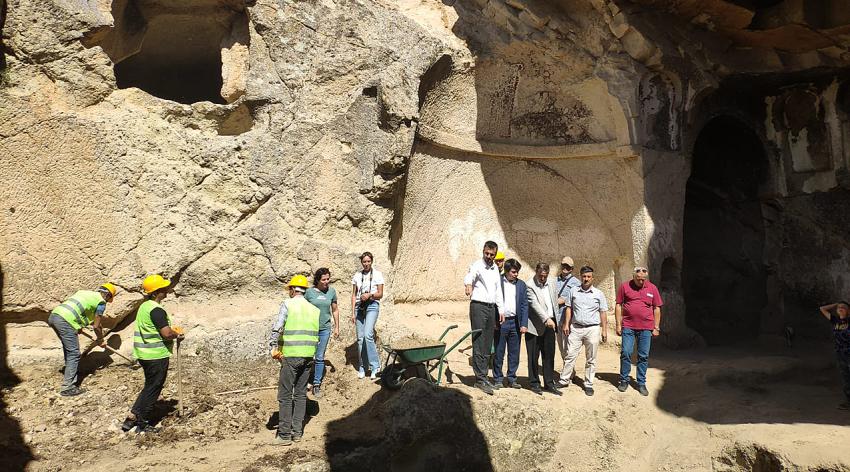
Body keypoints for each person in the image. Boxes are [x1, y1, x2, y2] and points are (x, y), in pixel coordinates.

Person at [122, 275, 183, 433]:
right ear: (157, 291)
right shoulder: (156, 310)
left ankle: (132, 418)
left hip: (144, 354)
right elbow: (166, 333)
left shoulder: (144, 306)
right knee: (154, 388)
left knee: (148, 386)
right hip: (156, 355)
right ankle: (143, 422)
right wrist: (177, 334)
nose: (167, 289)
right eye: (164, 288)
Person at [269, 275, 321, 445]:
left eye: (289, 289)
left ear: (293, 290)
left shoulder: (288, 304)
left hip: (291, 356)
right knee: (300, 395)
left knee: (284, 395)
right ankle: (296, 433)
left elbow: (278, 326)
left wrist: (273, 346)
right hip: (308, 357)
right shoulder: (314, 310)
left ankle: (284, 435)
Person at [47, 283, 117, 396]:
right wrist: (100, 339)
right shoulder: (101, 302)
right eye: (109, 299)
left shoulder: (84, 292)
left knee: (69, 350)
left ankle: (69, 374)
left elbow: (76, 310)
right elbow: (96, 326)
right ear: (108, 295)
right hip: (66, 321)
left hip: (54, 316)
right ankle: (67, 387)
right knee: (74, 353)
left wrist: (77, 326)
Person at [464, 241, 505, 395]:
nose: (489, 257)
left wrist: (501, 309)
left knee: (488, 343)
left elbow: (498, 290)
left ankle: (484, 377)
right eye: (487, 253)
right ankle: (479, 379)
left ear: (495, 255)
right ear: (483, 251)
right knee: (479, 341)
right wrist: (468, 285)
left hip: (491, 307)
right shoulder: (477, 265)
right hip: (478, 307)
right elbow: (470, 276)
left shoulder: (495, 269)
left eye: (492, 255)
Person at [615, 266, 663, 396]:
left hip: (646, 327)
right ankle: (624, 380)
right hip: (628, 326)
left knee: (643, 355)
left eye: (643, 280)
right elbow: (618, 305)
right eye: (638, 279)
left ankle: (641, 383)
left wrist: (656, 327)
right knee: (626, 352)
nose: (641, 282)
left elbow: (657, 308)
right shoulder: (625, 287)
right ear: (633, 277)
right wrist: (618, 325)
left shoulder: (652, 288)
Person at [561, 266, 608, 396]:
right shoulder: (574, 291)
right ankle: (564, 379)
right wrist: (566, 324)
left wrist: (604, 330)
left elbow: (603, 312)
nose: (586, 279)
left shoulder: (599, 294)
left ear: (592, 278)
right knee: (570, 354)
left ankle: (588, 384)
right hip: (575, 328)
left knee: (591, 358)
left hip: (592, 328)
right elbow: (568, 308)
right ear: (580, 277)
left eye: (588, 277)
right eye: (584, 276)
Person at [525, 263, 561, 396]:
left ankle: (549, 383)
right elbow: (535, 305)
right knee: (533, 356)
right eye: (540, 275)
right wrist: (546, 319)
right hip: (535, 326)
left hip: (551, 325)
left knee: (549, 355)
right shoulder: (529, 285)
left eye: (545, 276)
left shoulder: (552, 282)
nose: (542, 278)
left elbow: (554, 302)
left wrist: (556, 320)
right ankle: (534, 383)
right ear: (536, 272)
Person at [492, 259, 527, 389]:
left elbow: (524, 305)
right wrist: (494, 321)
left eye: (517, 272)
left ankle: (512, 378)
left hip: (516, 322)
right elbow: (493, 303)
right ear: (506, 271)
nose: (516, 274)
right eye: (513, 272)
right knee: (499, 352)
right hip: (501, 323)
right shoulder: (498, 282)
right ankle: (498, 379)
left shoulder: (521, 285)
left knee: (514, 352)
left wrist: (523, 324)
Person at [305, 268, 339, 398]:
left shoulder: (331, 292)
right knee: (308, 356)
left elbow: (335, 310)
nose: (326, 281)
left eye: (328, 279)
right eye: (323, 279)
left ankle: (316, 384)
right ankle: (304, 382)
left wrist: (336, 327)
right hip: (310, 329)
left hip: (325, 328)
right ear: (318, 280)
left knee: (319, 356)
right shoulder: (309, 293)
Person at [351, 252, 384, 379]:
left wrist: (370, 294)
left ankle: (375, 366)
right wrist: (352, 312)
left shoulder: (378, 274)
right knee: (360, 339)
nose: (366, 264)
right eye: (364, 262)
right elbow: (354, 295)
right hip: (359, 307)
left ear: (372, 261)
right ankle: (362, 367)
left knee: (368, 335)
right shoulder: (357, 275)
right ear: (361, 262)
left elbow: (380, 294)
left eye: (368, 261)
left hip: (372, 305)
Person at [818, 301, 850, 410]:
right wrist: (836, 304)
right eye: (839, 308)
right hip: (840, 354)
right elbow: (822, 308)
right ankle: (848, 402)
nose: (841, 308)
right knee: (846, 378)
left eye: (844, 307)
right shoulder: (835, 321)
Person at [555, 256, 581, 386]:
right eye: (563, 265)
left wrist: (561, 300)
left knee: (567, 348)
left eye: (568, 267)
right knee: (561, 347)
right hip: (556, 318)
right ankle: (570, 372)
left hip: (567, 320)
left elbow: (571, 299)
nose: (565, 268)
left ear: (572, 269)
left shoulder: (575, 282)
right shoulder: (554, 280)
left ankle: (568, 374)